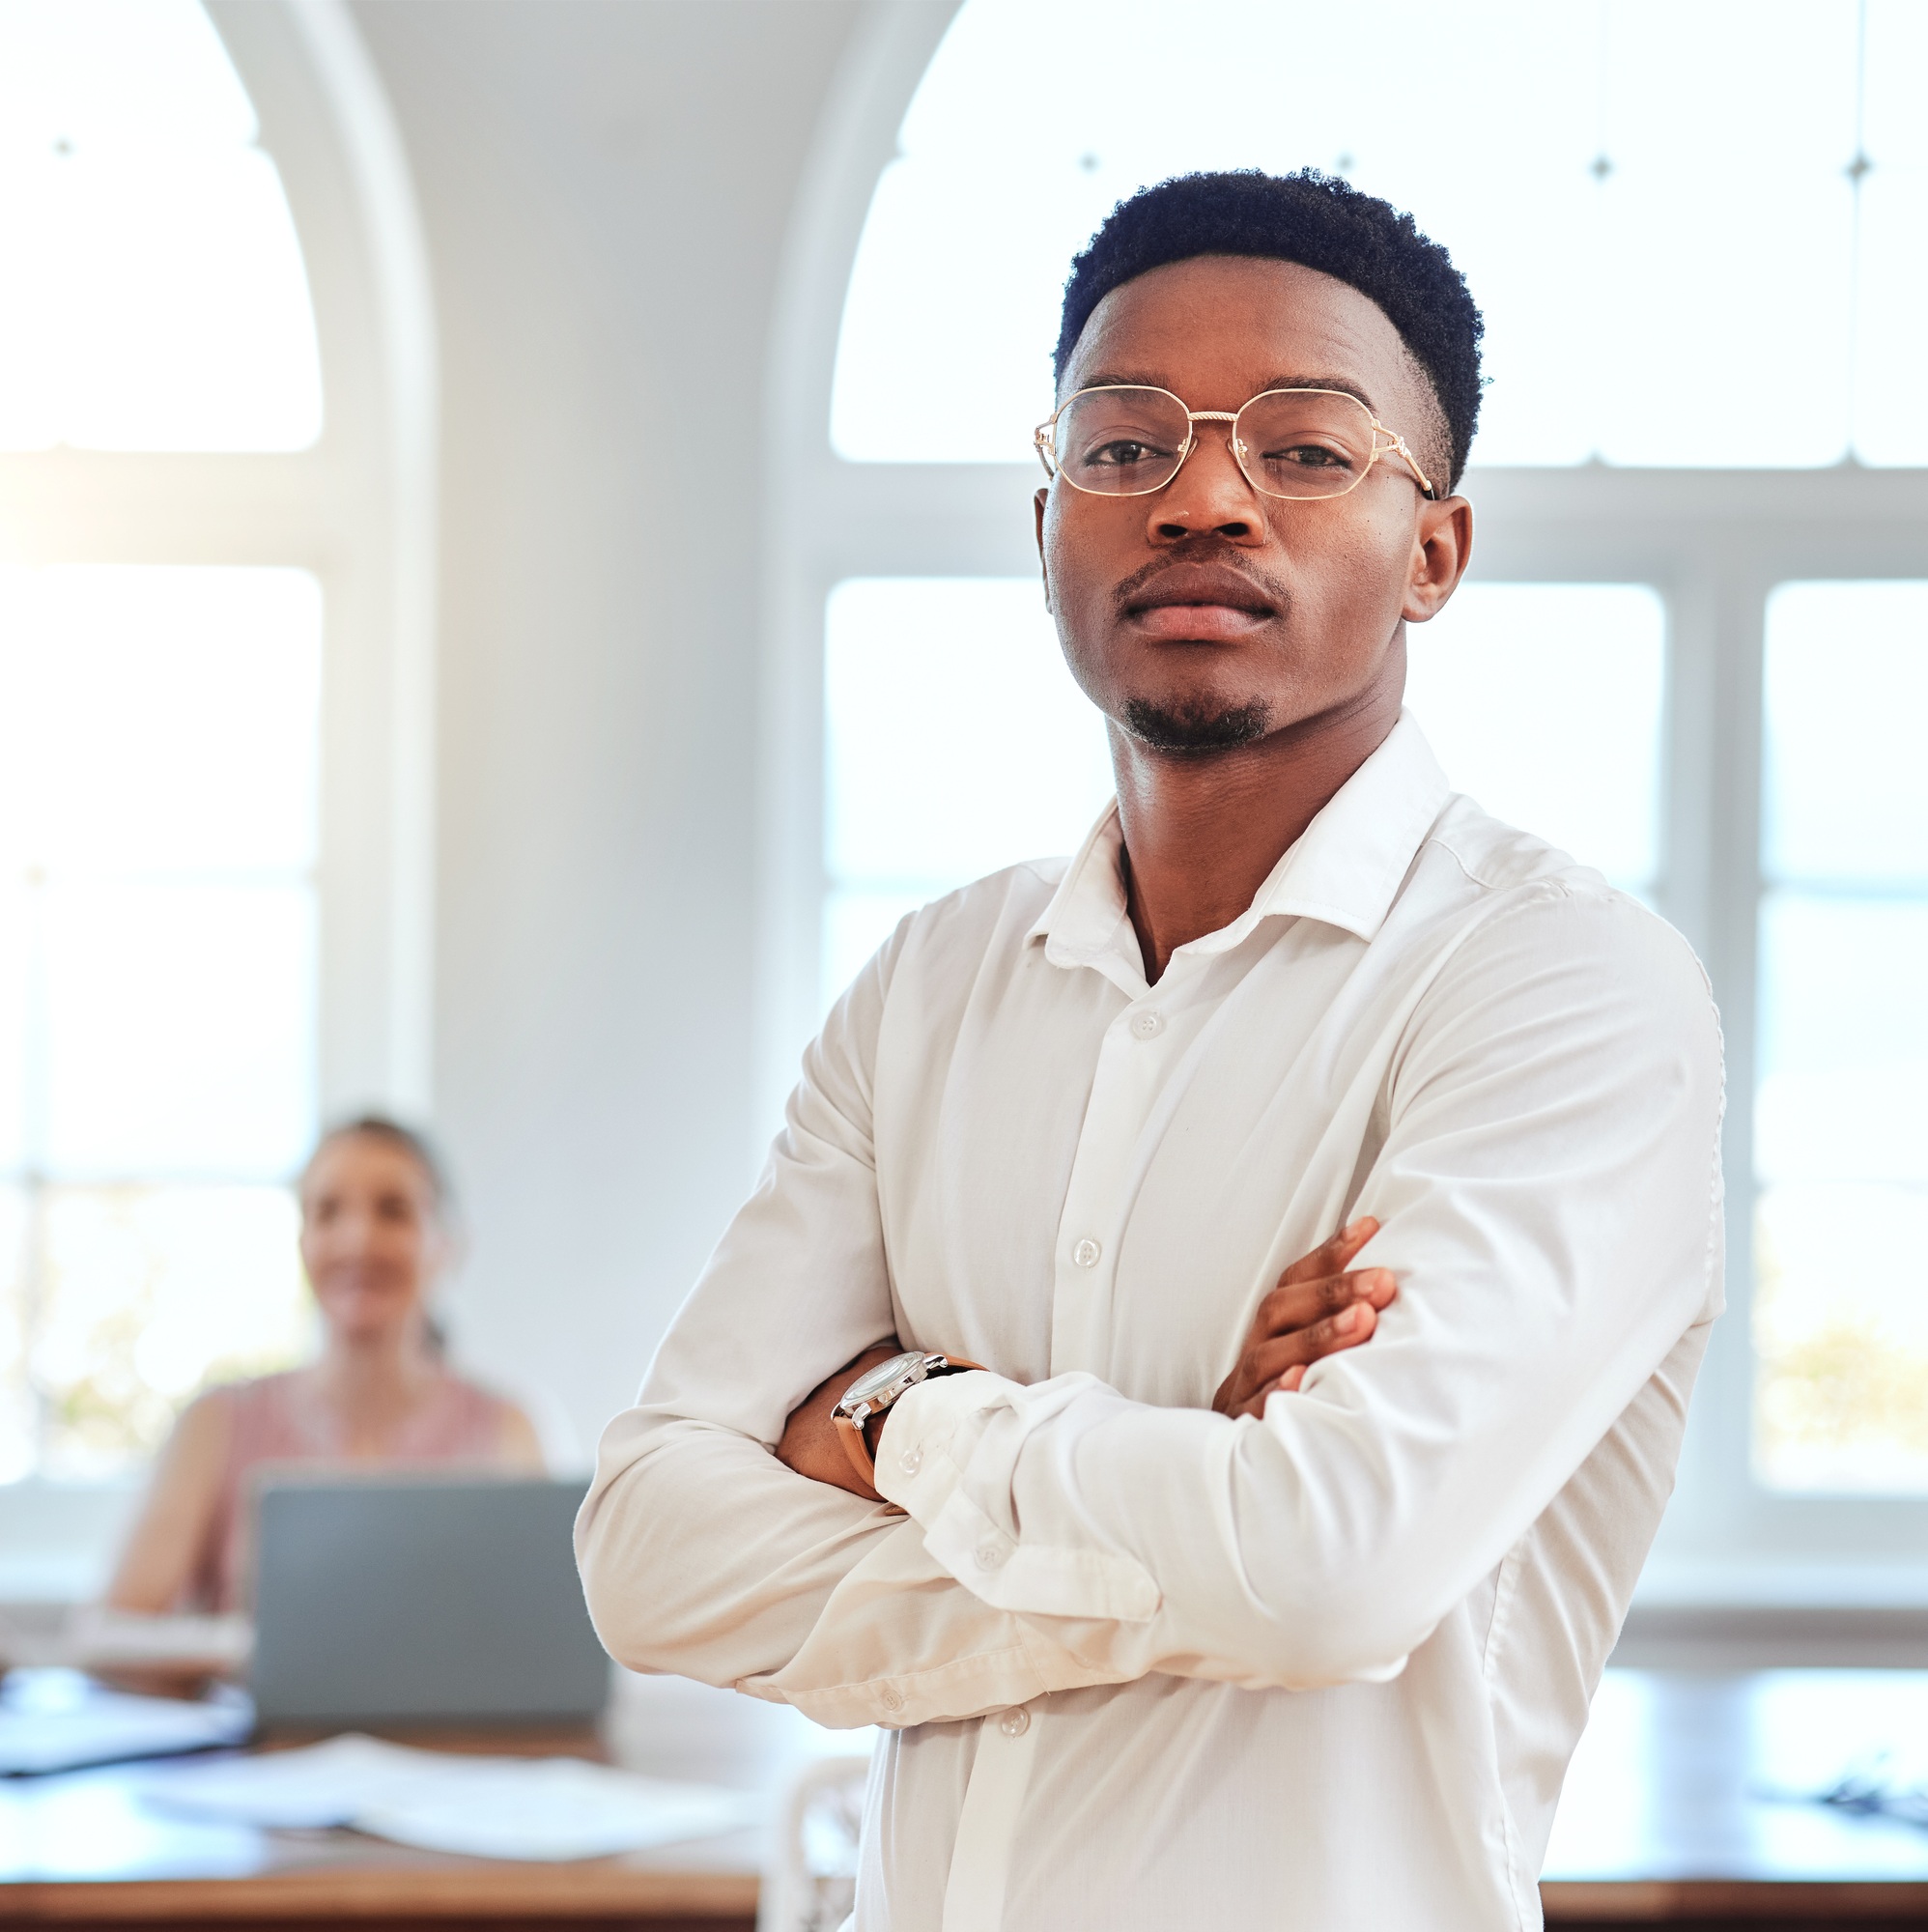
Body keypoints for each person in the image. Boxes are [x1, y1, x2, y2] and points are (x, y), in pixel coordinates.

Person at [577, 170, 1723, 1931]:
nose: (1199, 495)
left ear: (1435, 550)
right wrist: (1192, 1493)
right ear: (1048, 512)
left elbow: (1330, 1576)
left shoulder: (1561, 987)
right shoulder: (935, 983)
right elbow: (649, 1552)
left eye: (1306, 448)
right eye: (1123, 446)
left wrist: (902, 1413)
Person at [108, 1116, 544, 1615]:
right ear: (302, 1243)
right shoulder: (216, 1424)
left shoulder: (507, 1430)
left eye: (393, 1211)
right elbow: (114, 1630)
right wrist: (249, 1655)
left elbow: (545, 1635)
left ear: (448, 1244)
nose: (357, 1240)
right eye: (328, 1212)